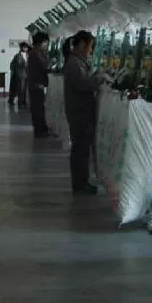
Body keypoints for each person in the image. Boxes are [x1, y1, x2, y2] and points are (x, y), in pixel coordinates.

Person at [63, 30, 101, 194]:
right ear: (82, 45)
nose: (91, 51)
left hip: (81, 111)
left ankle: (81, 181)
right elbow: (83, 84)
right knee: (80, 149)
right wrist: (99, 78)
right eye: (90, 47)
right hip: (80, 113)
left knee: (82, 148)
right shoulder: (74, 64)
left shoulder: (77, 62)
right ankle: (80, 184)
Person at [26, 31, 54, 137]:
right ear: (39, 43)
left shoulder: (40, 53)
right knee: (37, 108)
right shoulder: (34, 55)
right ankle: (39, 130)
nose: (46, 45)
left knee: (40, 107)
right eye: (45, 42)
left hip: (40, 85)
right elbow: (35, 71)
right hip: (36, 85)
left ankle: (42, 128)